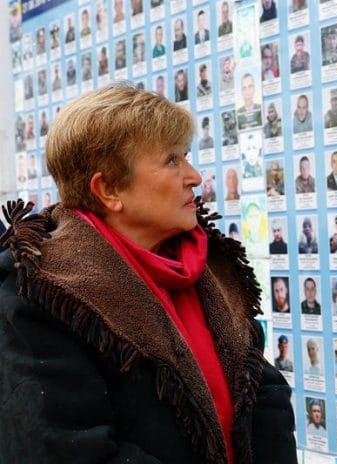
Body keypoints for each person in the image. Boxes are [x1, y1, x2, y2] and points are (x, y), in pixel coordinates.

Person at [0, 85, 296, 463]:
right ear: (108, 189)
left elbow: (264, 398)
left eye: (186, 156)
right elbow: (64, 449)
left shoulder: (210, 270)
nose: (194, 176)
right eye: (172, 160)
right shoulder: (41, 294)